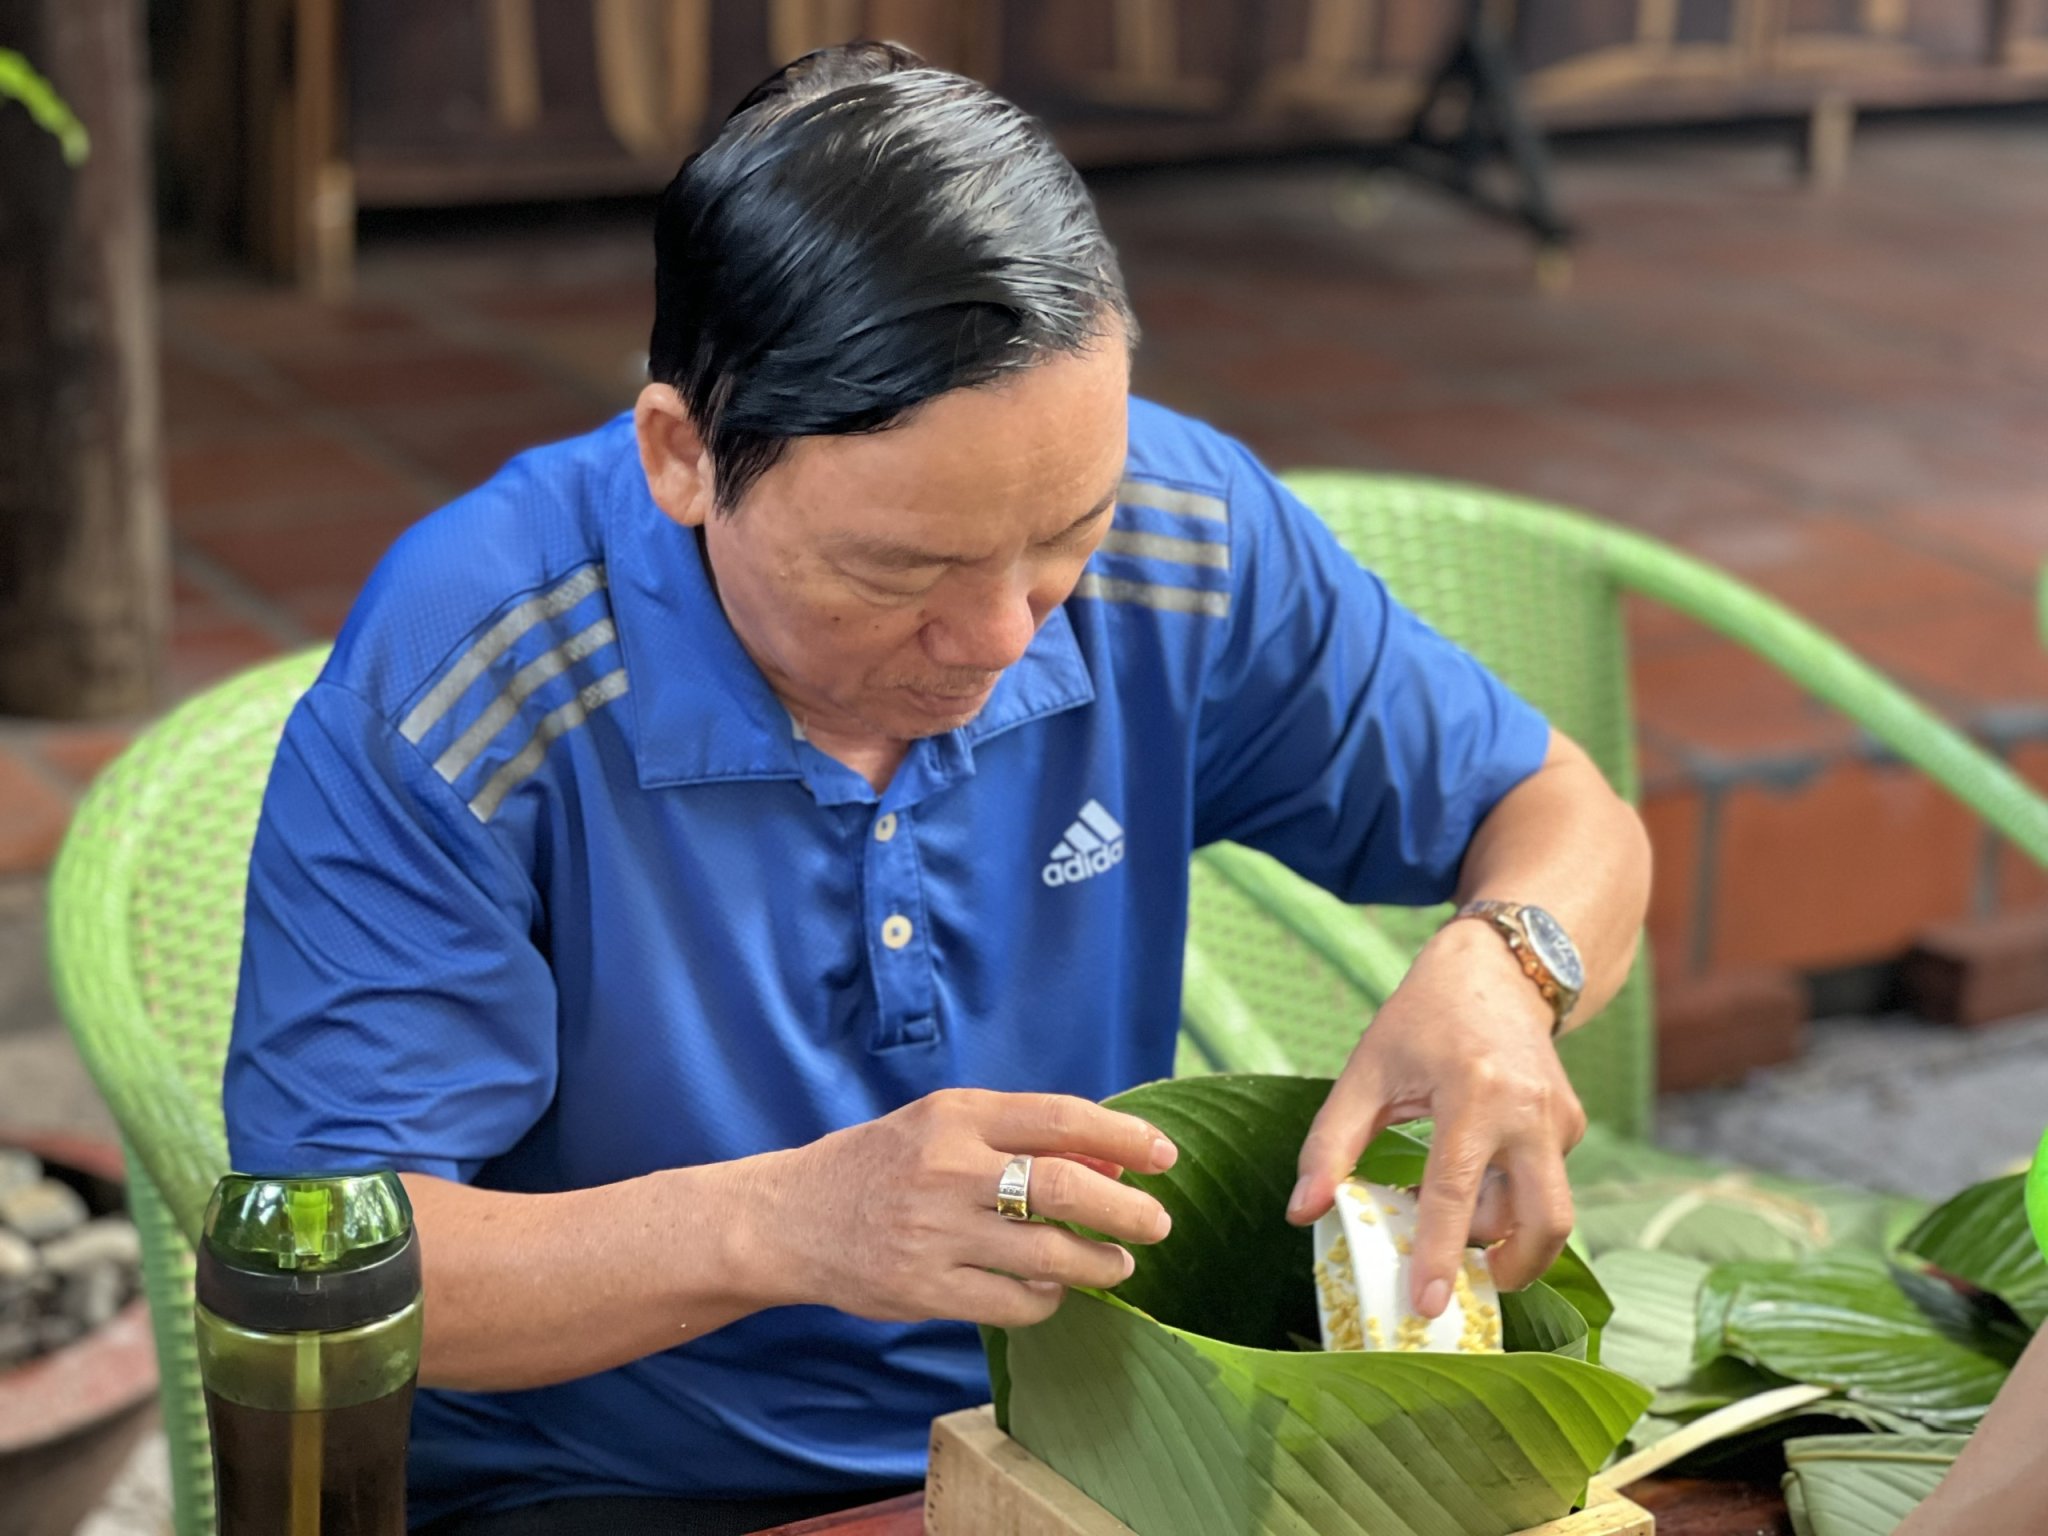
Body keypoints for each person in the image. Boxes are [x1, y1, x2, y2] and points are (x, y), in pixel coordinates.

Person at [223, 41, 1651, 1535]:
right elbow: (315, 1274)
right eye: (899, 571)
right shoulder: (474, 671)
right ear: (683, 457)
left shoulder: (1184, 536)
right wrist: (786, 1220)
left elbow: (1565, 816)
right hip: (614, 1487)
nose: (1000, 639)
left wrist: (1511, 966)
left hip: (1091, 1447)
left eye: (1062, 538)